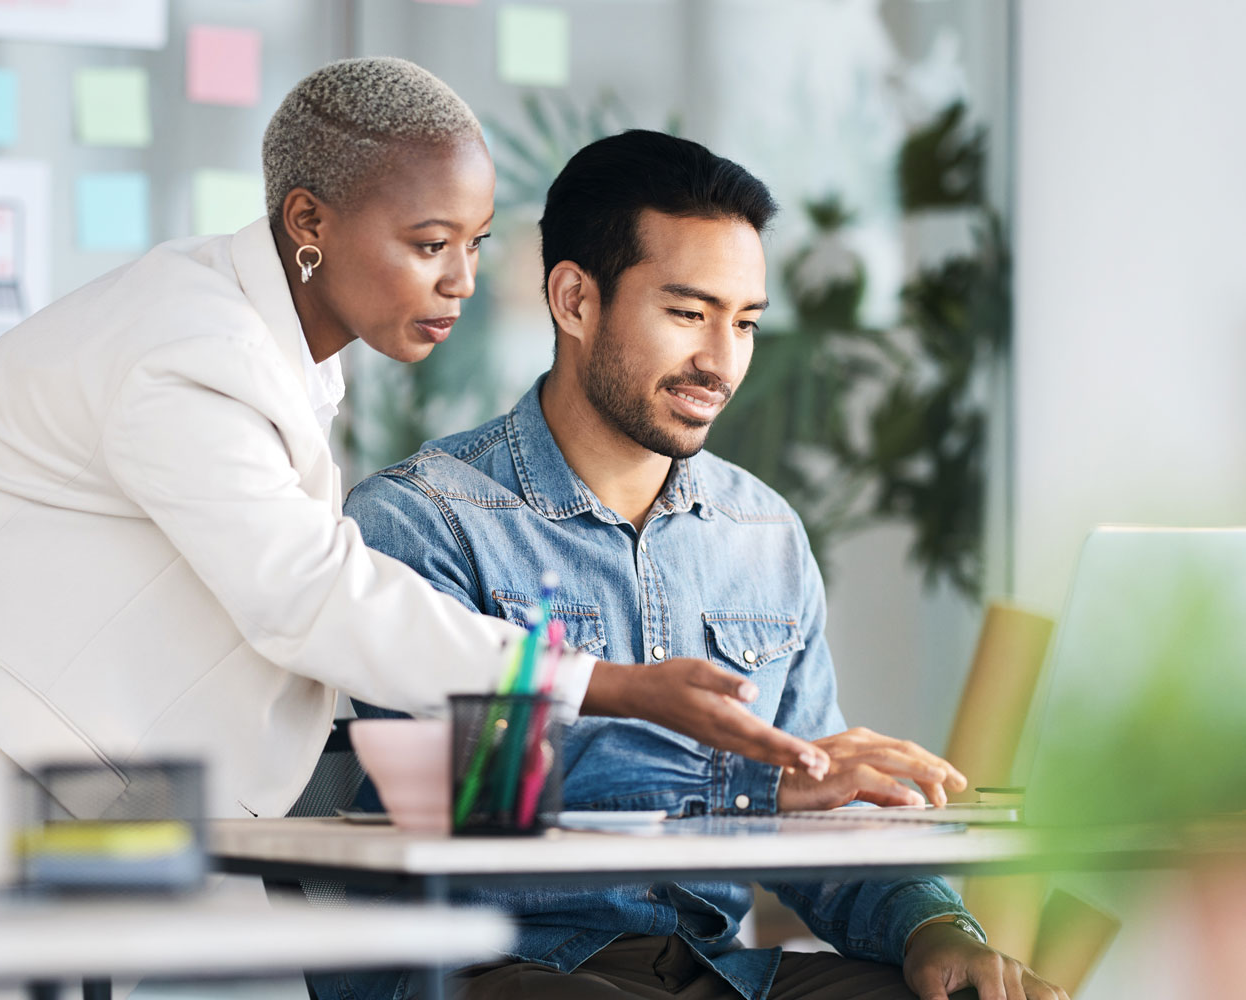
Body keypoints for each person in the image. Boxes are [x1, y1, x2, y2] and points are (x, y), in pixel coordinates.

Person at [0, 60, 829, 834]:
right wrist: (609, 684)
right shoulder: (187, 348)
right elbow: (305, 595)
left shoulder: (276, 355)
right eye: (426, 244)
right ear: (309, 221)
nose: (460, 280)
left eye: (474, 243)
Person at [331, 131, 1068, 1000]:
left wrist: (936, 928)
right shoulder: (423, 520)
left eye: (745, 321)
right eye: (688, 314)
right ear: (574, 299)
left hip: (717, 971)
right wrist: (756, 786)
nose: (721, 362)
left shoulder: (761, 531)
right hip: (499, 967)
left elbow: (820, 822)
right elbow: (473, 801)